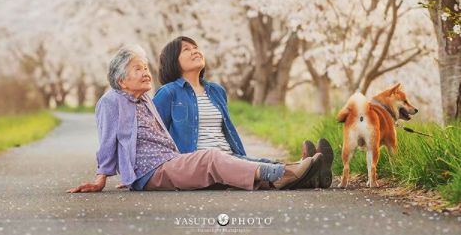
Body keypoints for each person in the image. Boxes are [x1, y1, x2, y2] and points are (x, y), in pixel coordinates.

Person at [68, 45, 323, 193]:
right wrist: (103, 178)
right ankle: (285, 172)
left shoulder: (145, 99)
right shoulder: (111, 101)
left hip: (169, 162)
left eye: (146, 68)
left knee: (225, 168)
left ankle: (298, 174)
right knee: (210, 157)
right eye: (138, 69)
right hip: (152, 170)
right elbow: (107, 140)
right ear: (121, 79)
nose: (146, 73)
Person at [153, 36, 334, 189]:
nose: (195, 51)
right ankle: (302, 170)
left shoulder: (216, 91)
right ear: (173, 61)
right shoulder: (168, 93)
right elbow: (153, 136)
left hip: (230, 157)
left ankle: (311, 175)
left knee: (262, 163)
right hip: (200, 164)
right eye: (186, 49)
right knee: (264, 170)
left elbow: (226, 131)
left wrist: (239, 156)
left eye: (196, 47)